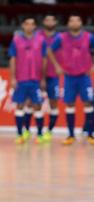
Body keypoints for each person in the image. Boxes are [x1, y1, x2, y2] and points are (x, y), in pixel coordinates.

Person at [48, 15, 94, 145]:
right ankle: (71, 135)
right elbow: (50, 50)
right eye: (71, 21)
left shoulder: (88, 37)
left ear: (81, 23)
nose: (74, 23)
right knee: (69, 104)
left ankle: (90, 135)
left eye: (77, 20)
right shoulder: (61, 37)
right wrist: (57, 66)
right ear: (68, 24)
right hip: (69, 77)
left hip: (84, 76)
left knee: (88, 104)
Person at [10, 17, 46, 145]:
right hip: (21, 79)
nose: (29, 26)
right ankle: (20, 135)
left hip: (36, 79)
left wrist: (43, 78)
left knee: (37, 106)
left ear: (35, 26)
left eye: (32, 24)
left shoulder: (41, 40)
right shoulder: (16, 40)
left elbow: (44, 60)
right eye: (27, 24)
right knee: (19, 106)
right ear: (23, 25)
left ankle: (40, 134)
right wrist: (13, 77)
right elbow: (13, 59)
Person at [38, 14, 60, 142]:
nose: (50, 22)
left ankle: (49, 131)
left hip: (53, 75)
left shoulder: (60, 37)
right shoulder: (37, 36)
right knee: (32, 103)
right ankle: (32, 132)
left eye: (52, 19)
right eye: (47, 19)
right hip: (36, 75)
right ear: (43, 22)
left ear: (55, 22)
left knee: (53, 103)